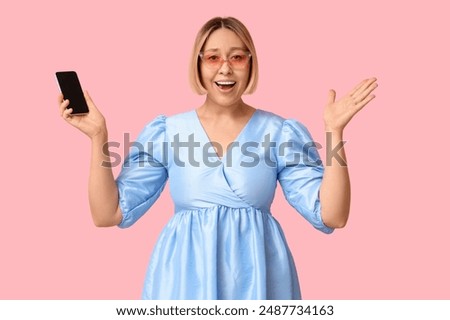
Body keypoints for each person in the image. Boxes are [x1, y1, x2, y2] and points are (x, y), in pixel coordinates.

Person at [58, 16, 377, 299]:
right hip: (182, 284)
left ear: (251, 63)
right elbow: (107, 213)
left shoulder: (280, 132)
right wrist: (98, 136)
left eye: (237, 57)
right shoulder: (167, 132)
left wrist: (334, 131)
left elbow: (332, 215)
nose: (225, 68)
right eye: (213, 57)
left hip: (259, 281)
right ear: (198, 64)